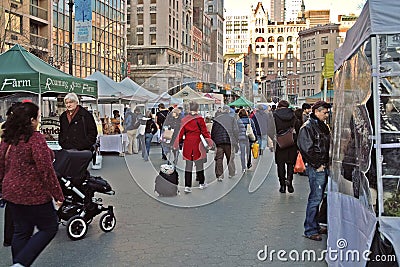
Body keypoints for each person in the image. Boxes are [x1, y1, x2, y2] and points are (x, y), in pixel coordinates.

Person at [0, 101, 64, 266]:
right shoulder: (35, 139)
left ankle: (18, 263)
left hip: (11, 192)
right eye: (37, 118)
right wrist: (58, 194)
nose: (38, 121)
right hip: (33, 193)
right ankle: (21, 262)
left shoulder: (8, 138)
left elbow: (1, 164)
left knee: (21, 231)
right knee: (49, 227)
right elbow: (46, 170)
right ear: (30, 120)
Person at [297, 100, 331, 241]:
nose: (327, 115)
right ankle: (310, 230)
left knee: (320, 197)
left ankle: (315, 226)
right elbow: (306, 148)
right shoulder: (308, 127)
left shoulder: (322, 126)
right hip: (317, 167)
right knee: (315, 198)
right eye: (325, 112)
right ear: (316, 112)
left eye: (327, 112)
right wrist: (317, 164)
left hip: (323, 166)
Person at [173, 101, 211, 193]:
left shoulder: (184, 119)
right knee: (199, 165)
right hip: (198, 144)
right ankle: (201, 183)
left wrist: (176, 144)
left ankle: (187, 186)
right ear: (197, 109)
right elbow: (204, 132)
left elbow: (181, 133)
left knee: (188, 166)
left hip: (188, 144)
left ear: (189, 108)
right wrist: (209, 142)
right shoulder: (200, 119)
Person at [273, 100, 297, 193]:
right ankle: (289, 182)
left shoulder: (274, 115)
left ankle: (282, 185)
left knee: (280, 165)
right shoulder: (293, 115)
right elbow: (297, 127)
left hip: (280, 143)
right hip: (291, 143)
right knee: (290, 164)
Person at [211, 105, 239, 181]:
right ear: (228, 110)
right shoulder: (232, 119)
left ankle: (219, 175)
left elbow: (213, 131)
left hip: (219, 142)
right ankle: (231, 173)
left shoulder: (217, 119)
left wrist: (214, 140)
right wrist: (236, 140)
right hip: (229, 141)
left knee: (219, 158)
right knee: (230, 158)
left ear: (222, 110)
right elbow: (236, 130)